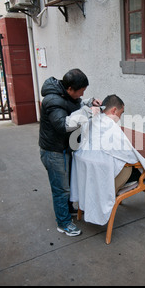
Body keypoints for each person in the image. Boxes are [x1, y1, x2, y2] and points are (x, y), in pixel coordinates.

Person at [70, 94, 145, 226]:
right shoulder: (111, 127)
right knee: (141, 169)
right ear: (114, 110)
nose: (119, 118)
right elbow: (130, 156)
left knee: (139, 168)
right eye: (120, 114)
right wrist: (144, 166)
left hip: (90, 176)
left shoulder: (91, 121)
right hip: (107, 179)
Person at [39, 68, 101, 237]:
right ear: (70, 89)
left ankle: (67, 210)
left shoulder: (64, 95)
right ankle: (64, 223)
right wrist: (88, 113)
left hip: (64, 148)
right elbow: (63, 125)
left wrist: (89, 102)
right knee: (61, 189)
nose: (81, 94)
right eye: (80, 91)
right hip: (53, 152)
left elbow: (74, 104)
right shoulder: (52, 101)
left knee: (66, 183)